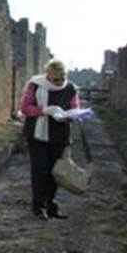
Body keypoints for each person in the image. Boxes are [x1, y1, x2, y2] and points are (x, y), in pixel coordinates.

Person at [19, 59, 80, 220]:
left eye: (62, 78)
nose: (60, 82)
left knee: (54, 172)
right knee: (39, 169)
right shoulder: (35, 85)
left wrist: (66, 116)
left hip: (59, 135)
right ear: (48, 75)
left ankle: (51, 205)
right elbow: (25, 109)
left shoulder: (70, 88)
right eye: (56, 79)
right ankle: (38, 207)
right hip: (37, 135)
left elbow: (75, 111)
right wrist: (45, 110)